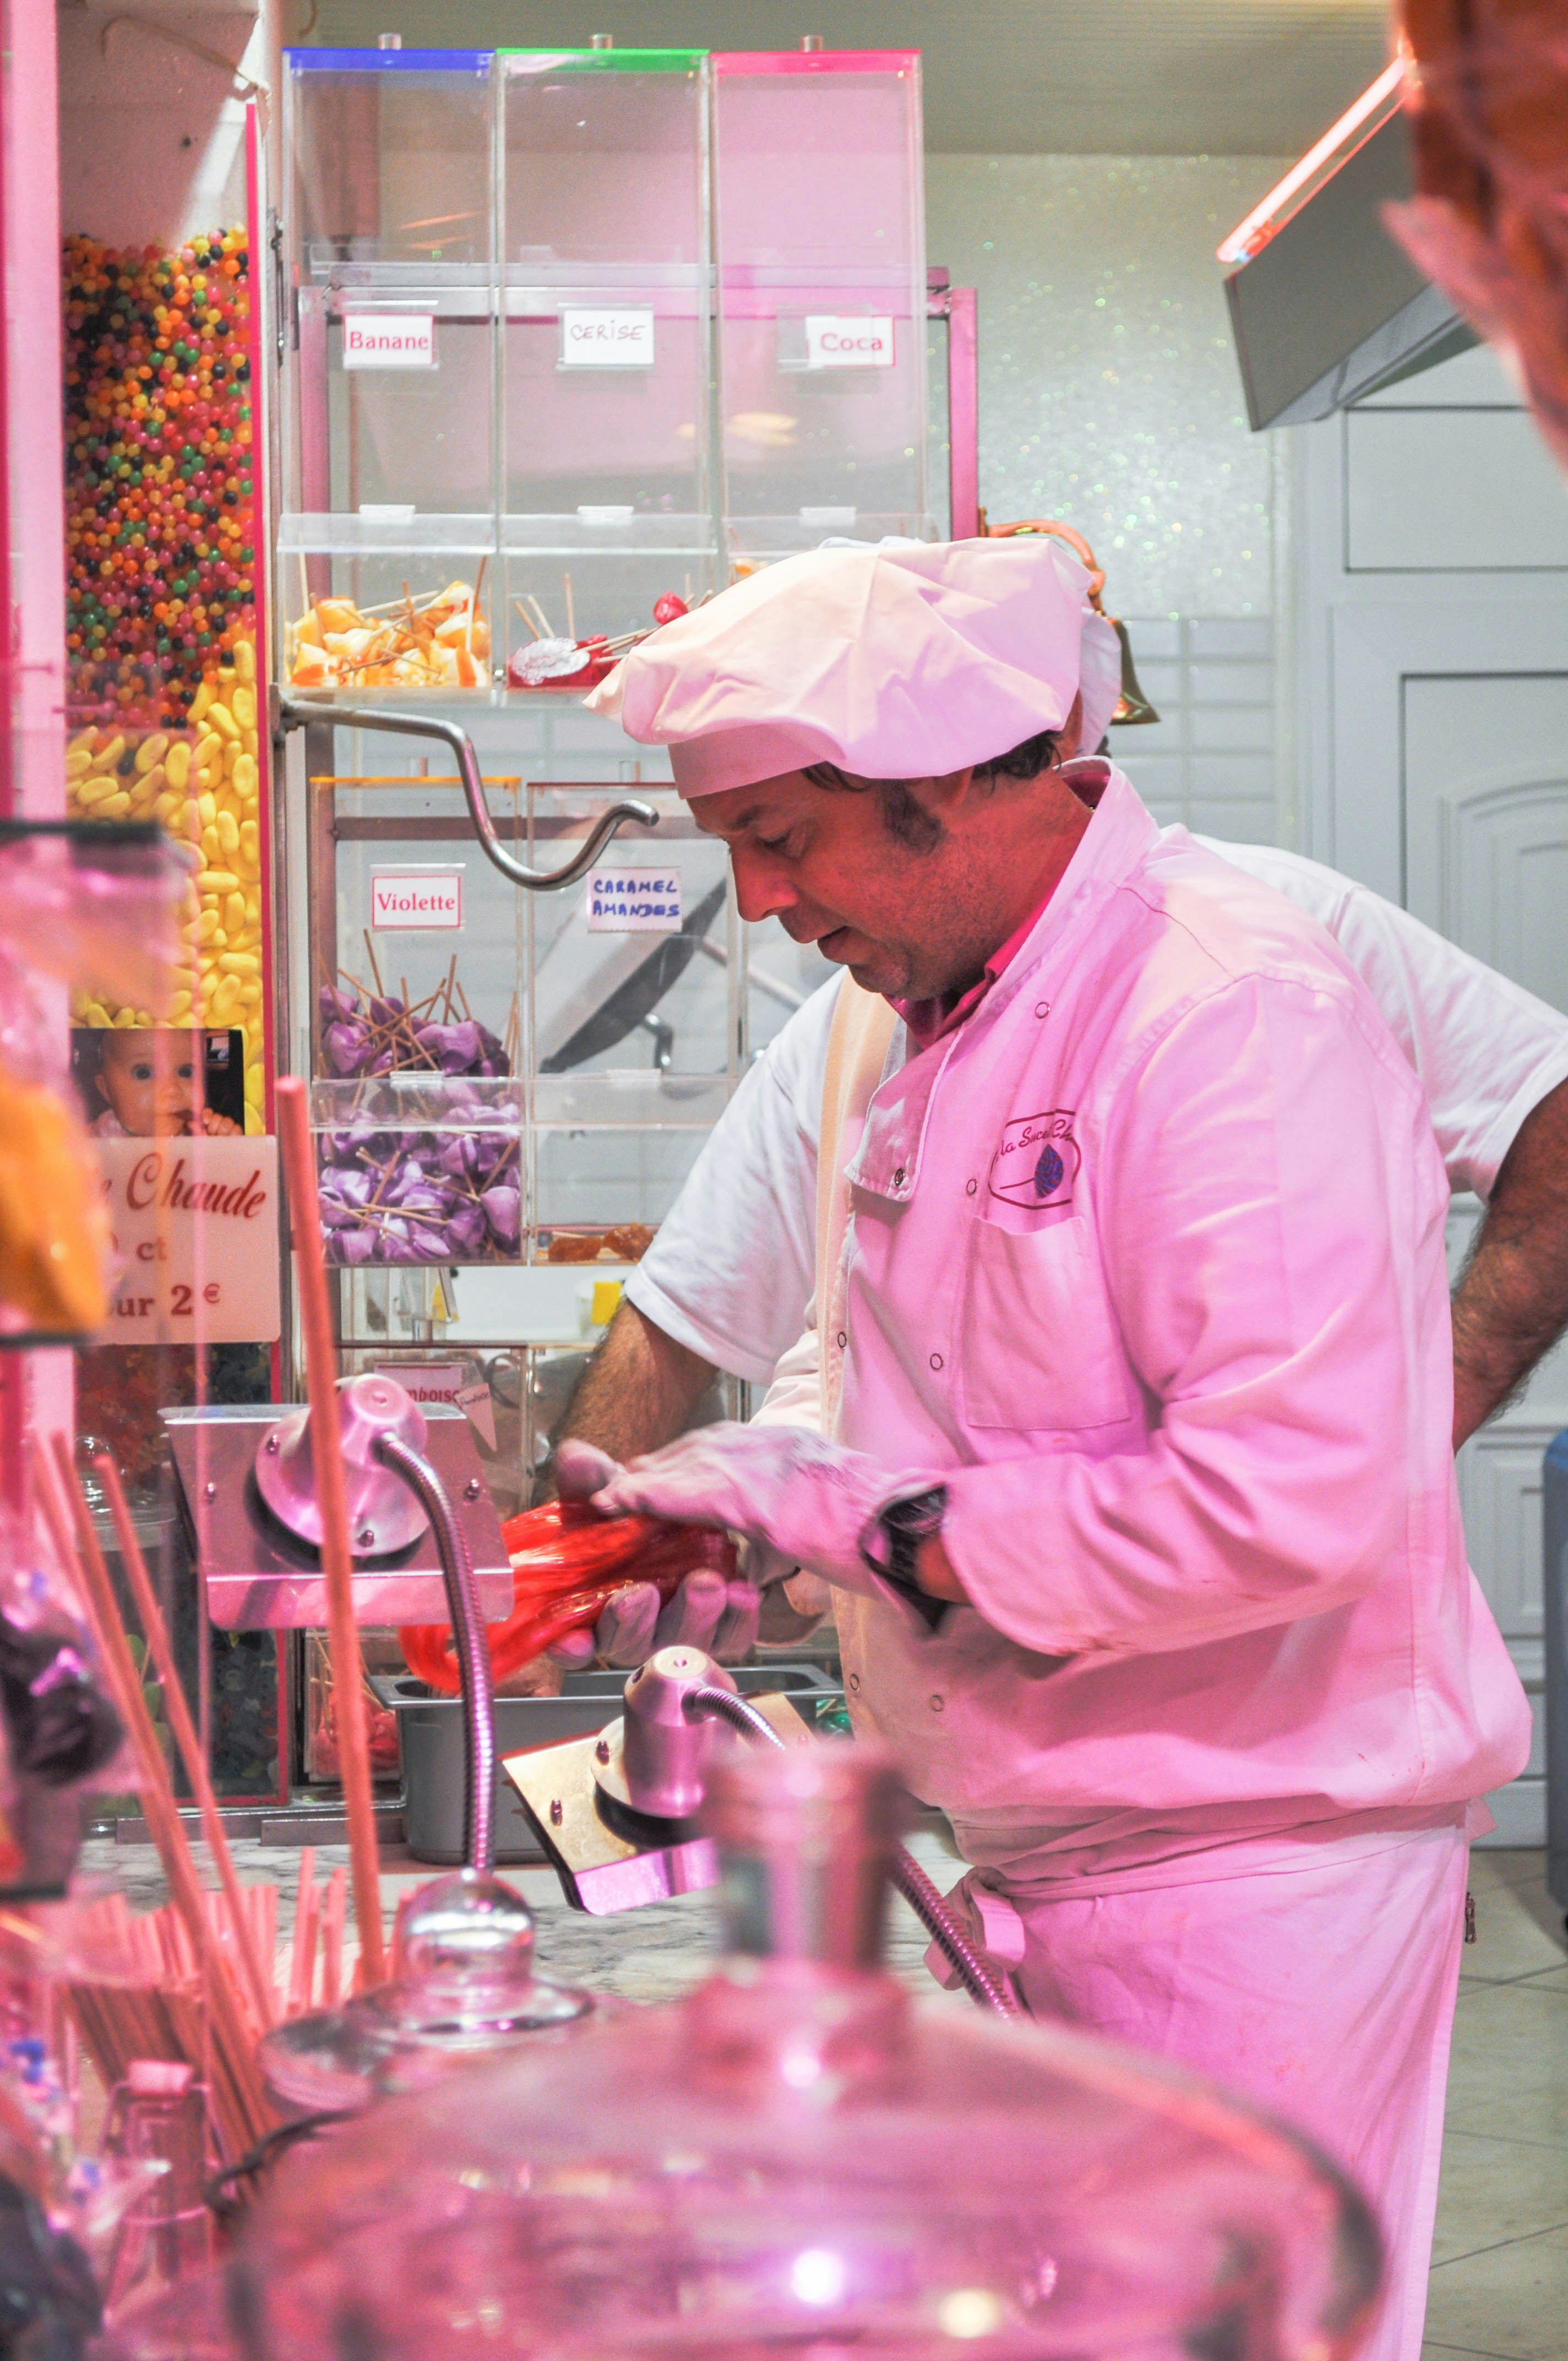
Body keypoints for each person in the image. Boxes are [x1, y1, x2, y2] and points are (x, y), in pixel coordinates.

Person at [547, 535, 1532, 2361]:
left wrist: (872, 1526)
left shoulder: (1225, 1005)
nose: (759, 901)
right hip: (1077, 1848)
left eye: (781, 837)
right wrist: (763, 1517)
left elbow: (1287, 1504)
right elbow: (920, 1385)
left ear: (941, 792)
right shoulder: (956, 1013)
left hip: (1244, 1881)